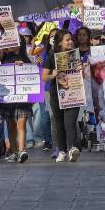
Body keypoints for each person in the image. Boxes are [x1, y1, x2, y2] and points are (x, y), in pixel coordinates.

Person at [42, 30, 83, 163]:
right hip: (56, 95)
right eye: (67, 40)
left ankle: (72, 149)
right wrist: (52, 75)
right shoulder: (51, 57)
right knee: (59, 124)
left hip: (74, 93)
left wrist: (81, 68)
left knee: (70, 123)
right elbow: (44, 77)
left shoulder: (76, 55)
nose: (70, 41)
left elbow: (85, 74)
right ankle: (62, 151)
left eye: (71, 39)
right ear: (60, 42)